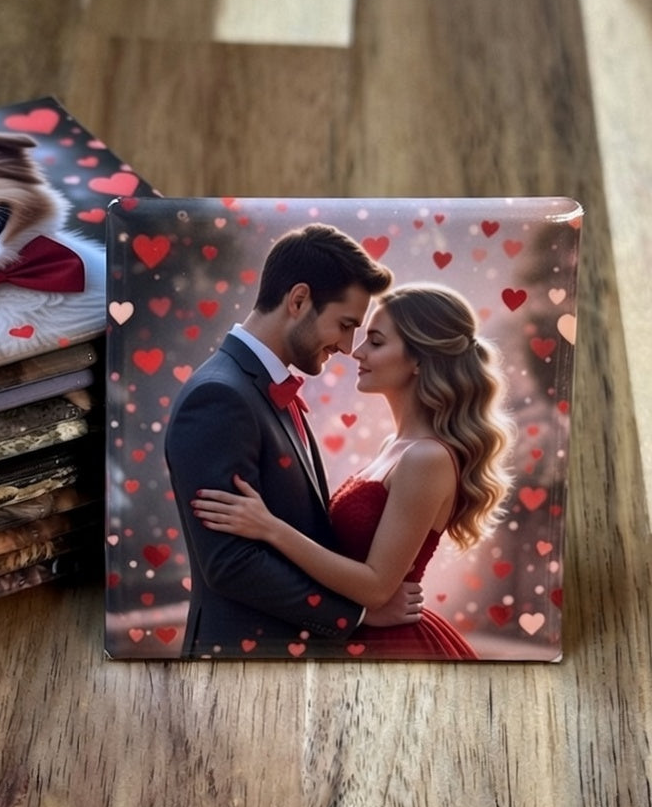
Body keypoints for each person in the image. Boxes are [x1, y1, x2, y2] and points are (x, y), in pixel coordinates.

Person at [191, 283, 514, 660]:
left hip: (391, 645)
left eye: (376, 342)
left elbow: (376, 587)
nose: (357, 351)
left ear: (420, 359)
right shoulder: (394, 446)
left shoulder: (427, 458)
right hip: (358, 634)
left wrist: (270, 528)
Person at [164, 224, 423, 659]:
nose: (347, 347)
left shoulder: (262, 387)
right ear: (299, 300)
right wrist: (357, 614)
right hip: (243, 661)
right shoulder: (220, 396)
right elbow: (230, 563)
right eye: (345, 325)